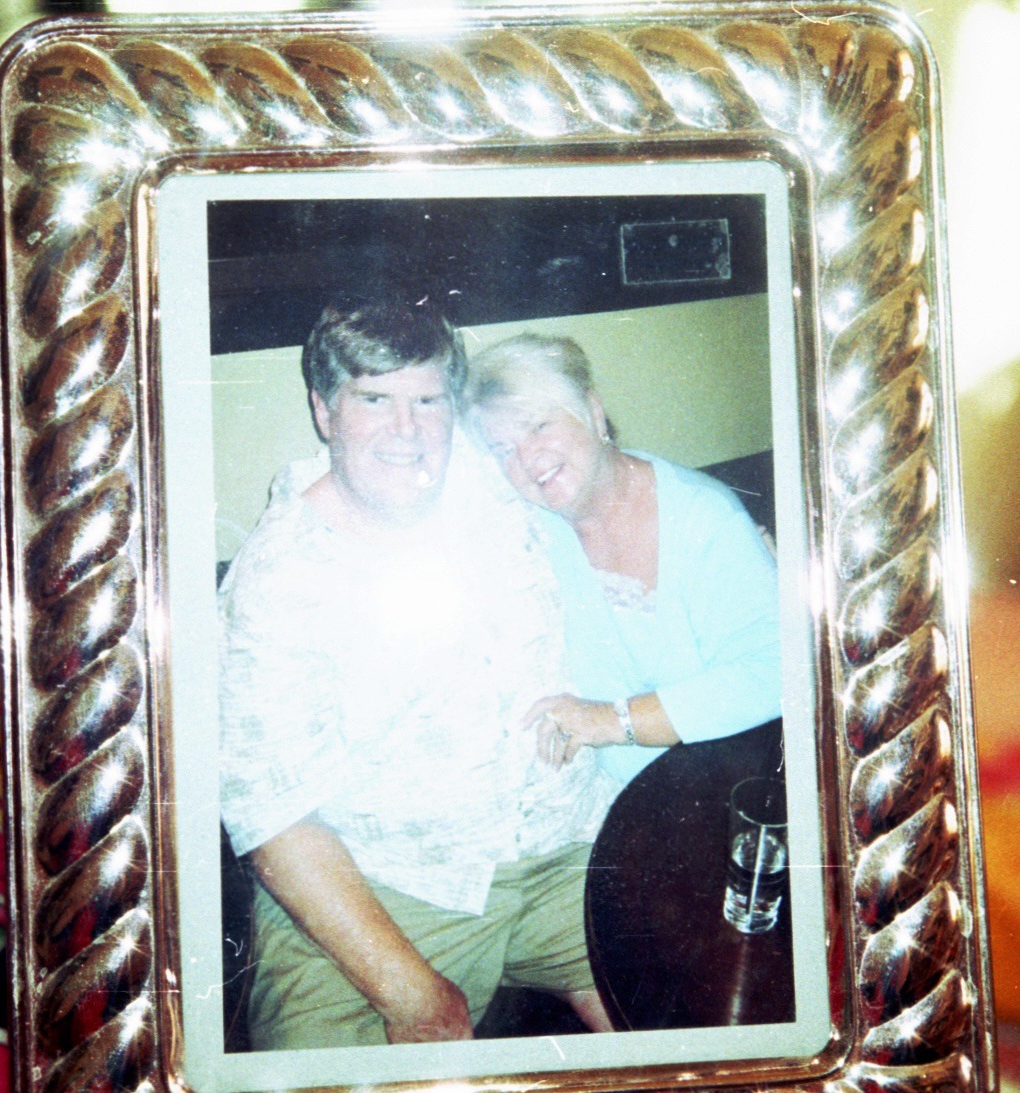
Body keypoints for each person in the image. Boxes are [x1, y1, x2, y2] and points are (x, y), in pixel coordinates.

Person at [217, 297, 618, 1051]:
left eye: (429, 401)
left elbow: (618, 491)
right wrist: (412, 995)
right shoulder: (274, 581)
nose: (408, 432)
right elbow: (274, 813)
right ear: (323, 410)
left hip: (565, 845)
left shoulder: (494, 479)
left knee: (699, 1025)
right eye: (375, 399)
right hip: (393, 885)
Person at [466, 333, 781, 787]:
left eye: (539, 426)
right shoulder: (533, 524)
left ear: (594, 413)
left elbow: (778, 670)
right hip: (611, 807)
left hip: (720, 791)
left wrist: (612, 721)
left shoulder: (701, 517)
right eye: (502, 448)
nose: (527, 458)